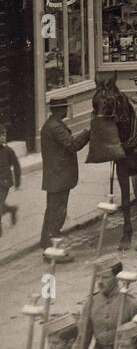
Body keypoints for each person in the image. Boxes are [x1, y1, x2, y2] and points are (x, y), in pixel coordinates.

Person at [79, 255, 137, 349]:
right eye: (98, 277)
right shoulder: (91, 302)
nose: (100, 282)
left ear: (117, 278)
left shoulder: (131, 304)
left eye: (105, 277)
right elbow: (83, 339)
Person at [39, 96, 90, 255]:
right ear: (60, 109)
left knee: (52, 211)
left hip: (55, 176)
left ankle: (46, 243)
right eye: (65, 107)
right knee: (58, 214)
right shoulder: (56, 127)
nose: (67, 110)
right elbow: (72, 145)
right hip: (59, 177)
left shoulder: (52, 124)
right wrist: (88, 133)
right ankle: (52, 249)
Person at [0, 121, 20, 237]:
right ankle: (11, 210)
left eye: (4, 136)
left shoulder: (8, 151)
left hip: (4, 182)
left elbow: (16, 165)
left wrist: (17, 182)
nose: (2, 138)